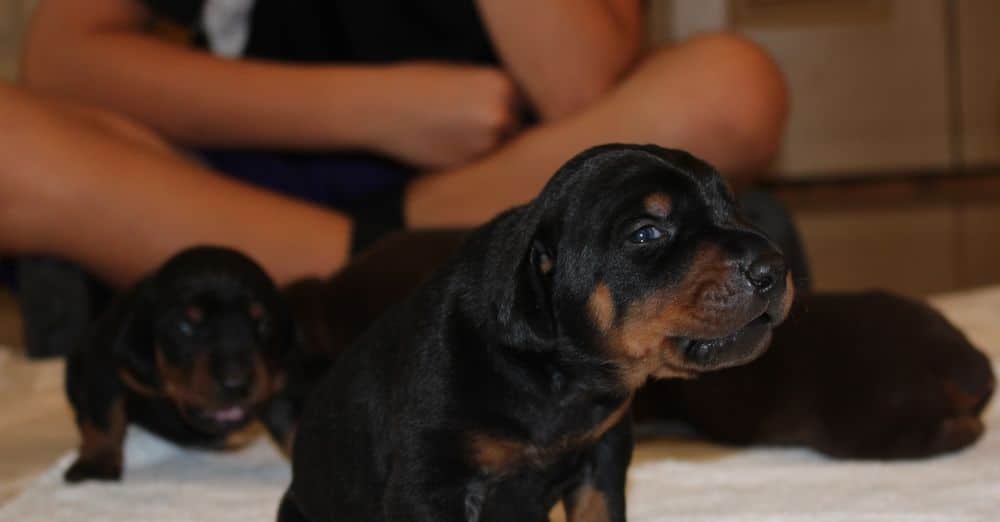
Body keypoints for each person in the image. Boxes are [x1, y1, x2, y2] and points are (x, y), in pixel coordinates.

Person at [1, 0, 788, 288]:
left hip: (491, 189)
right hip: (241, 195)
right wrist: (370, 109)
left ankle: (370, 279)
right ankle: (374, 276)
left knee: (733, 87)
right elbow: (64, 59)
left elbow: (582, 89)